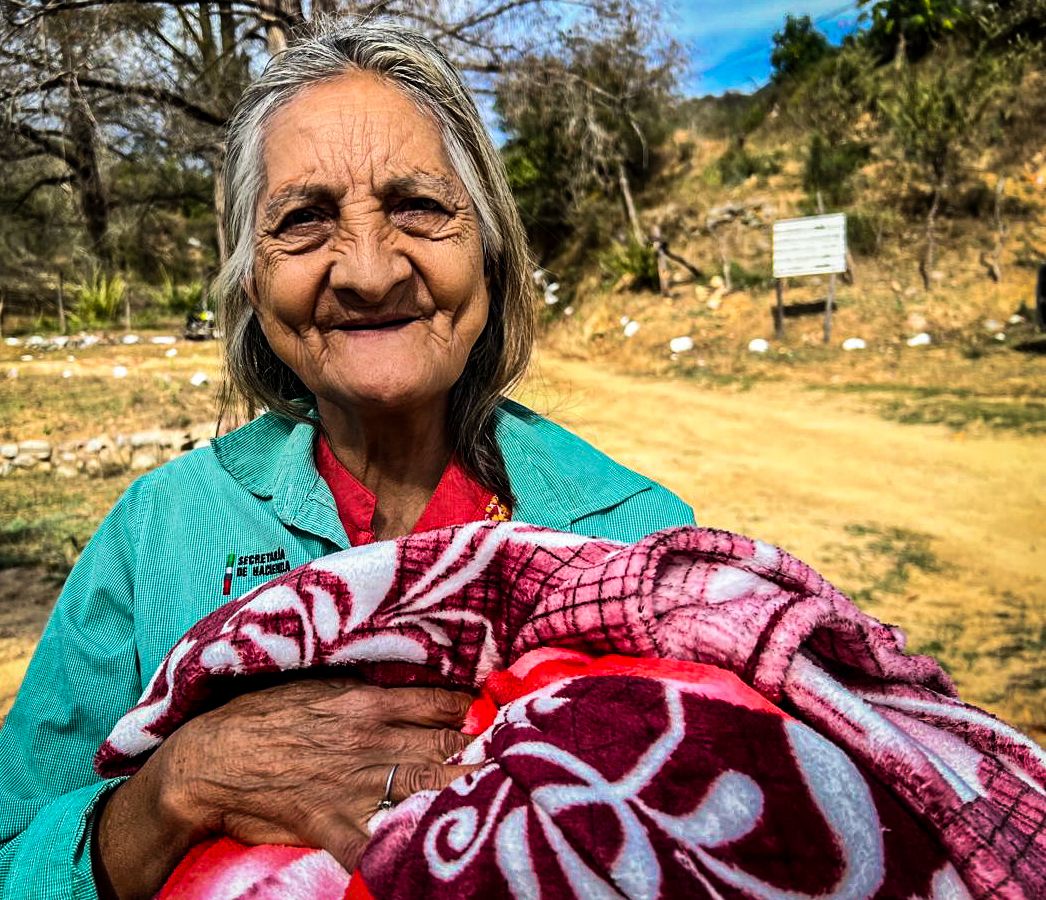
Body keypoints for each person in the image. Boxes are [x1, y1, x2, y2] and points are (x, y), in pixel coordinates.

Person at [0, 19, 693, 900]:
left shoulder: (634, 540)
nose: (368, 272)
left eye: (418, 206)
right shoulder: (162, 529)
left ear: (486, 244)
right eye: (305, 219)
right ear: (252, 277)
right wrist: (180, 785)